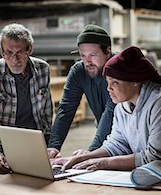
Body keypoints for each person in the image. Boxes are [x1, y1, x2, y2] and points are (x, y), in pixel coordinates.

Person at [0, 23, 53, 175]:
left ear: (29, 49)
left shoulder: (43, 70)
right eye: (9, 52)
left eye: (20, 52)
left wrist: (49, 146)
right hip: (1, 146)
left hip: (35, 144)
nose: (14, 59)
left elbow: (47, 112)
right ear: (1, 52)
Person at [47, 24, 116, 158]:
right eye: (83, 55)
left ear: (108, 51)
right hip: (105, 136)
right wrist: (53, 147)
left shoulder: (118, 68)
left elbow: (111, 110)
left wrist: (91, 152)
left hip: (130, 138)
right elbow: (66, 108)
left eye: (92, 55)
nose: (87, 62)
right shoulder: (79, 71)